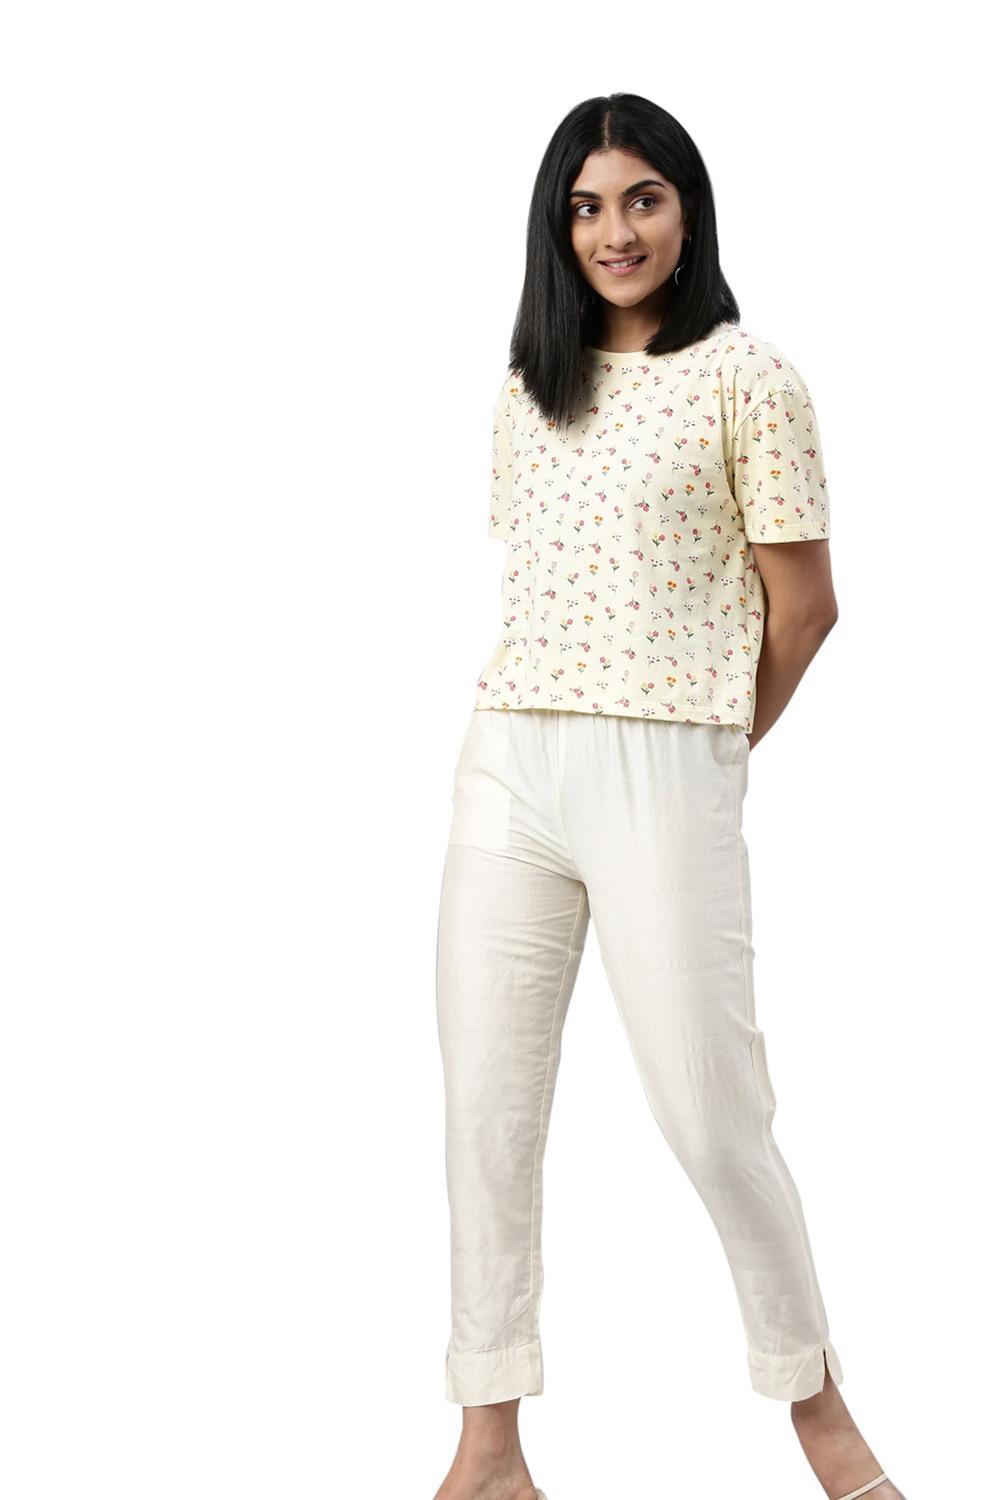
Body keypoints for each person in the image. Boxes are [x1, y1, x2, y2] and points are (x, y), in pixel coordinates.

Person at [433, 94, 906, 1500]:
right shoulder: (528, 388)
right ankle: (489, 1450)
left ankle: (821, 1414)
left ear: (687, 207)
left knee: (711, 1111)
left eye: (641, 198)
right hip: (509, 758)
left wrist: (710, 747)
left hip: (666, 761)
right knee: (486, 1108)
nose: (615, 231)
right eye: (586, 207)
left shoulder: (749, 380)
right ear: (556, 227)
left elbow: (805, 609)